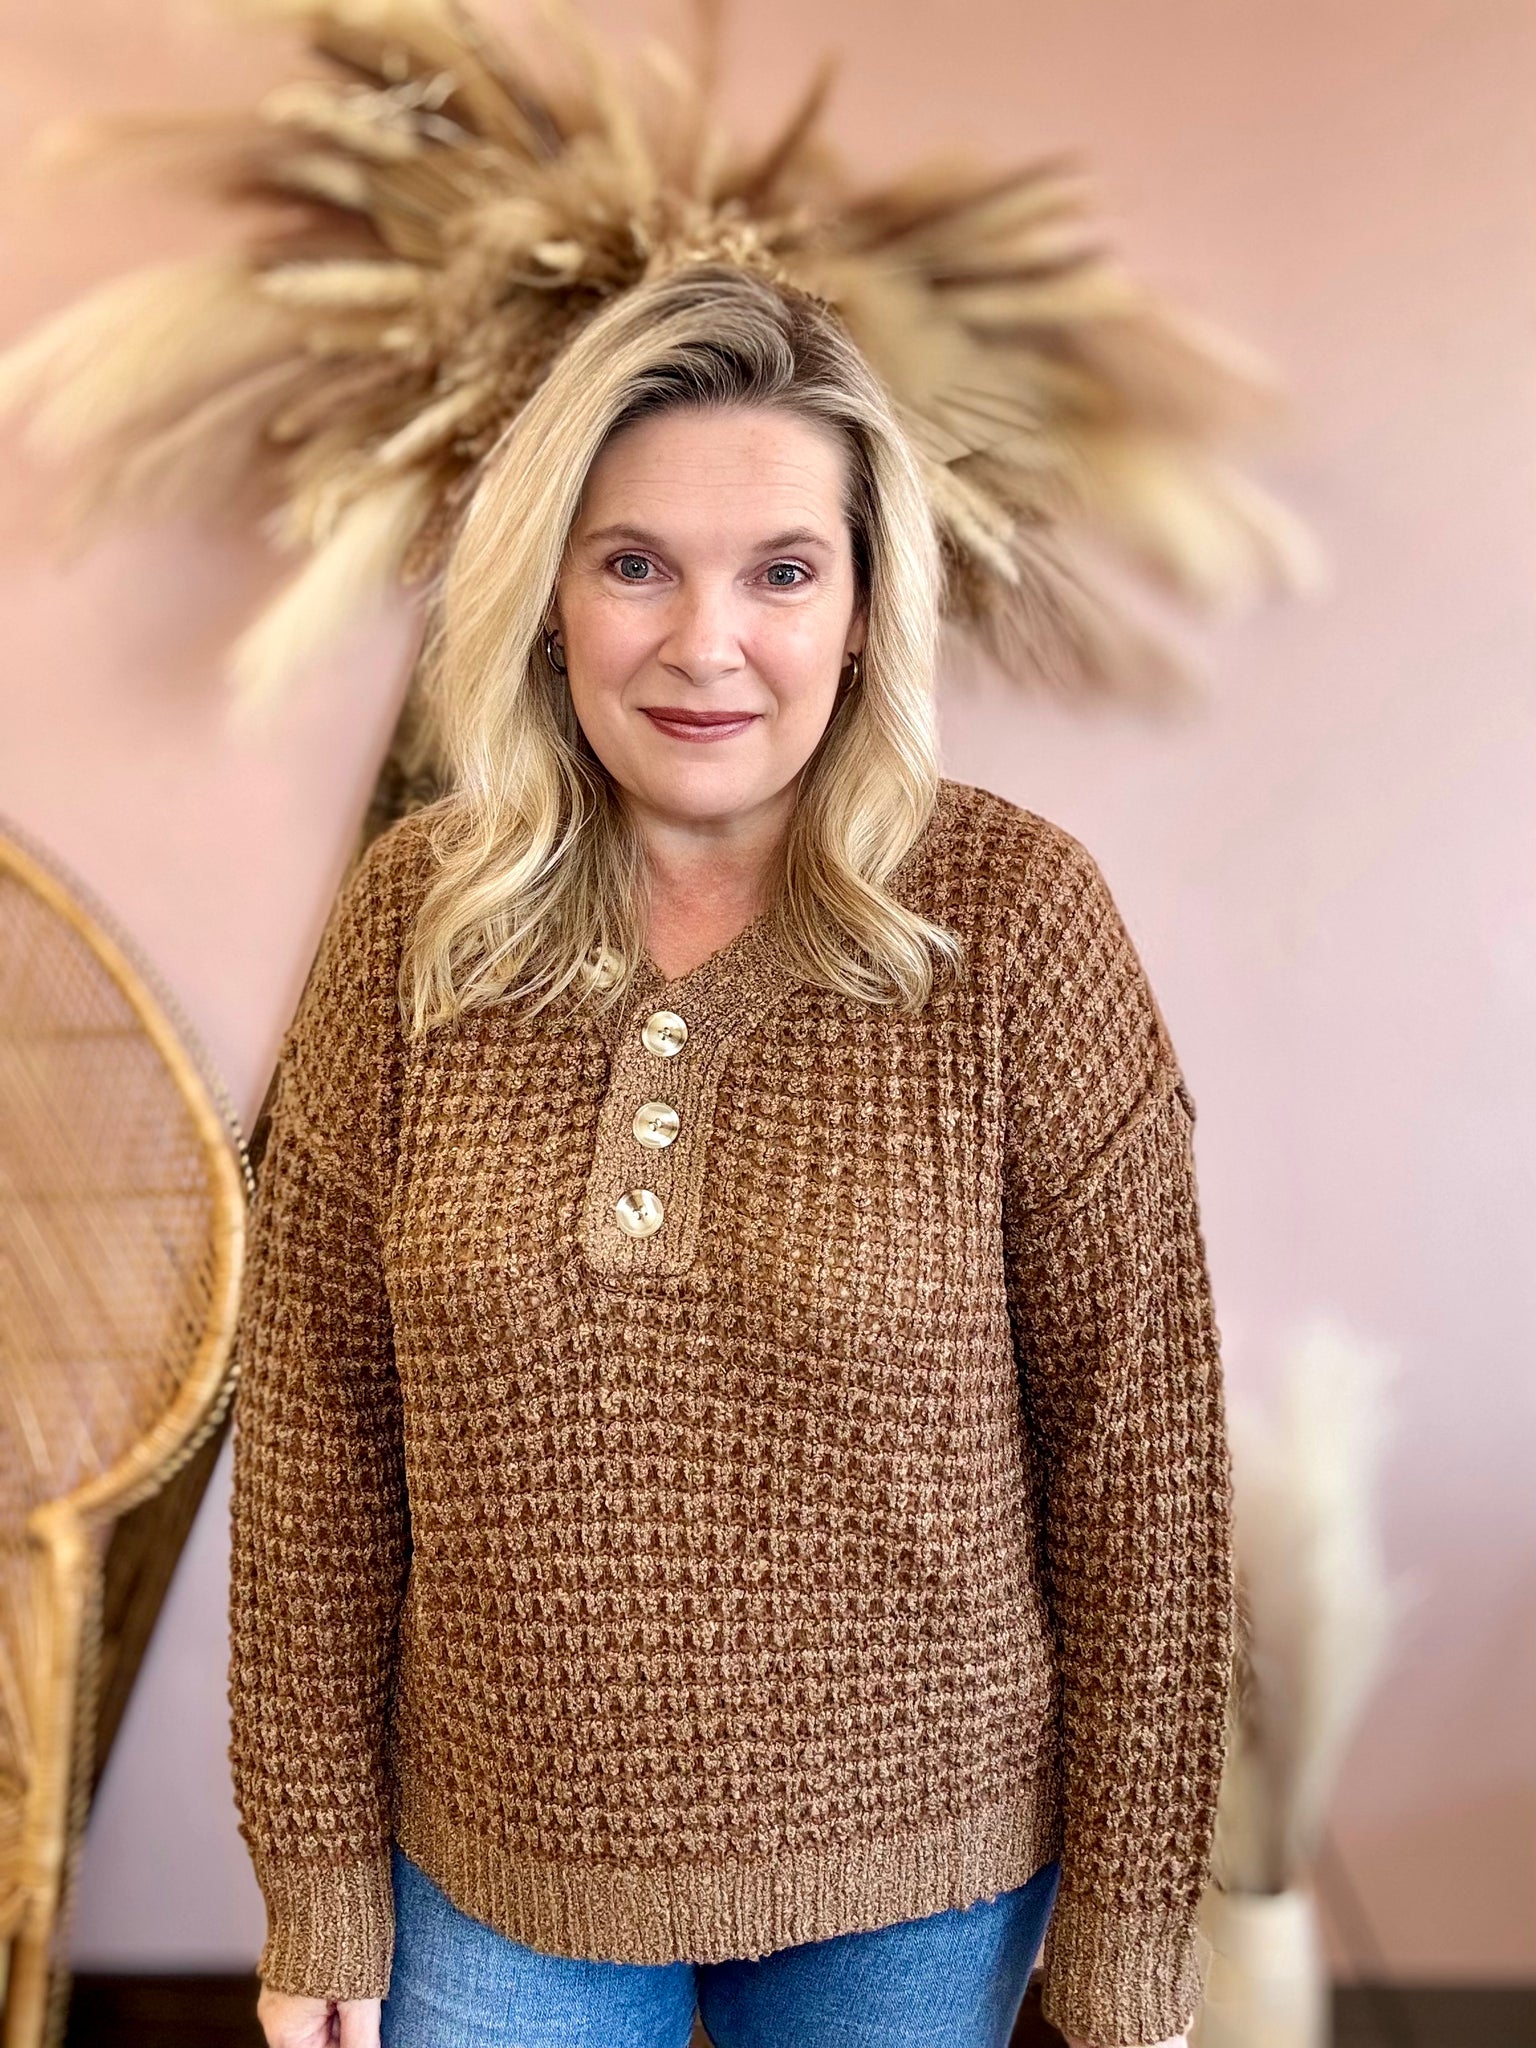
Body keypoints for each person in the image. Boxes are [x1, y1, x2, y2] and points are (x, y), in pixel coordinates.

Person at [227, 266, 1237, 2048]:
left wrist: (1135, 1941)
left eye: (782, 569)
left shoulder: (1015, 923)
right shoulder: (416, 922)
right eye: (635, 564)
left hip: (922, 1873)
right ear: (549, 598)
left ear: (862, 611)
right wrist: (314, 1880)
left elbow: (1142, 1463)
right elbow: (317, 1421)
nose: (707, 644)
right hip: (493, 1857)